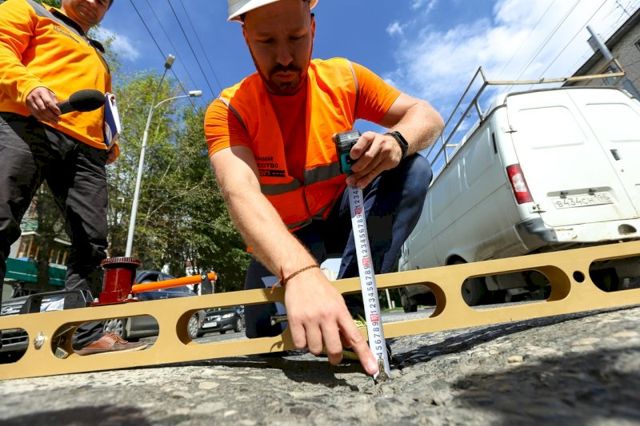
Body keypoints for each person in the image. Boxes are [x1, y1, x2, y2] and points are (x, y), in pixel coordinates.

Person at [204, 0, 444, 375]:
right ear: (246, 37)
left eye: (297, 37)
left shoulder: (345, 79)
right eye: (267, 41)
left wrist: (397, 141)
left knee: (412, 170)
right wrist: (300, 273)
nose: (285, 58)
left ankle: (355, 306)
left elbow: (427, 116)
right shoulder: (229, 110)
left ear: (313, 29)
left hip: (343, 217)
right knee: (262, 340)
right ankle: (290, 299)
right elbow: (240, 192)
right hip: (284, 237)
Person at [0, 0, 145, 355]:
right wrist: (29, 86)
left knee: (92, 241)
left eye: (104, 1)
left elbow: (105, 103)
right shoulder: (30, 9)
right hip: (27, 124)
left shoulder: (99, 55)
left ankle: (85, 334)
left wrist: (110, 140)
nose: (95, 2)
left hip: (87, 151)